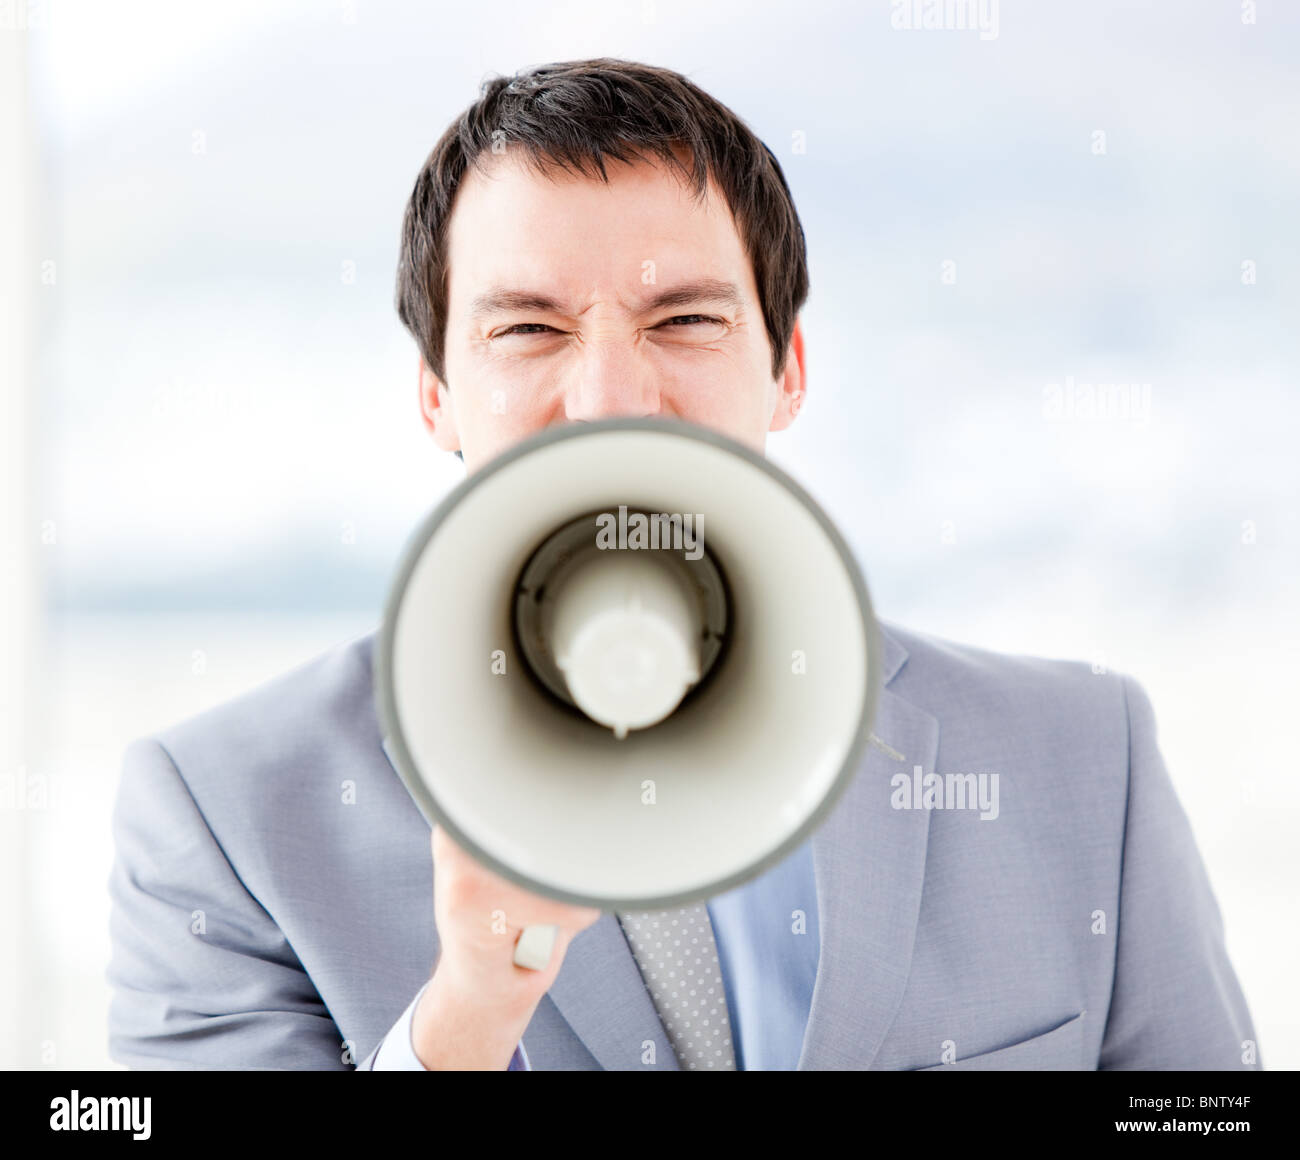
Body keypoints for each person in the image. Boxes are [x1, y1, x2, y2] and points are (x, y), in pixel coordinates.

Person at [106, 57, 1260, 1071]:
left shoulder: (1080, 760)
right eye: (527, 328)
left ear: (787, 368)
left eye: (684, 322)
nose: (611, 395)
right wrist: (462, 1022)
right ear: (435, 394)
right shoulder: (224, 819)